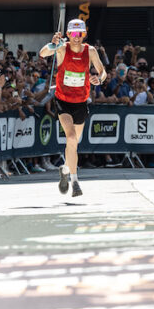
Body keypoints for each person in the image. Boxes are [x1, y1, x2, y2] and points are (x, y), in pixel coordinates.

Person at [39, 18, 107, 198]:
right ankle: (75, 182)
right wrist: (52, 44)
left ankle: (66, 169)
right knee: (70, 137)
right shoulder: (61, 48)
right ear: (68, 34)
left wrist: (99, 79)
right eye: (74, 34)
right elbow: (43, 53)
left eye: (81, 34)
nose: (77, 37)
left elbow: (103, 71)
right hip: (63, 100)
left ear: (84, 34)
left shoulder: (90, 51)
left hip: (81, 101)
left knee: (74, 143)